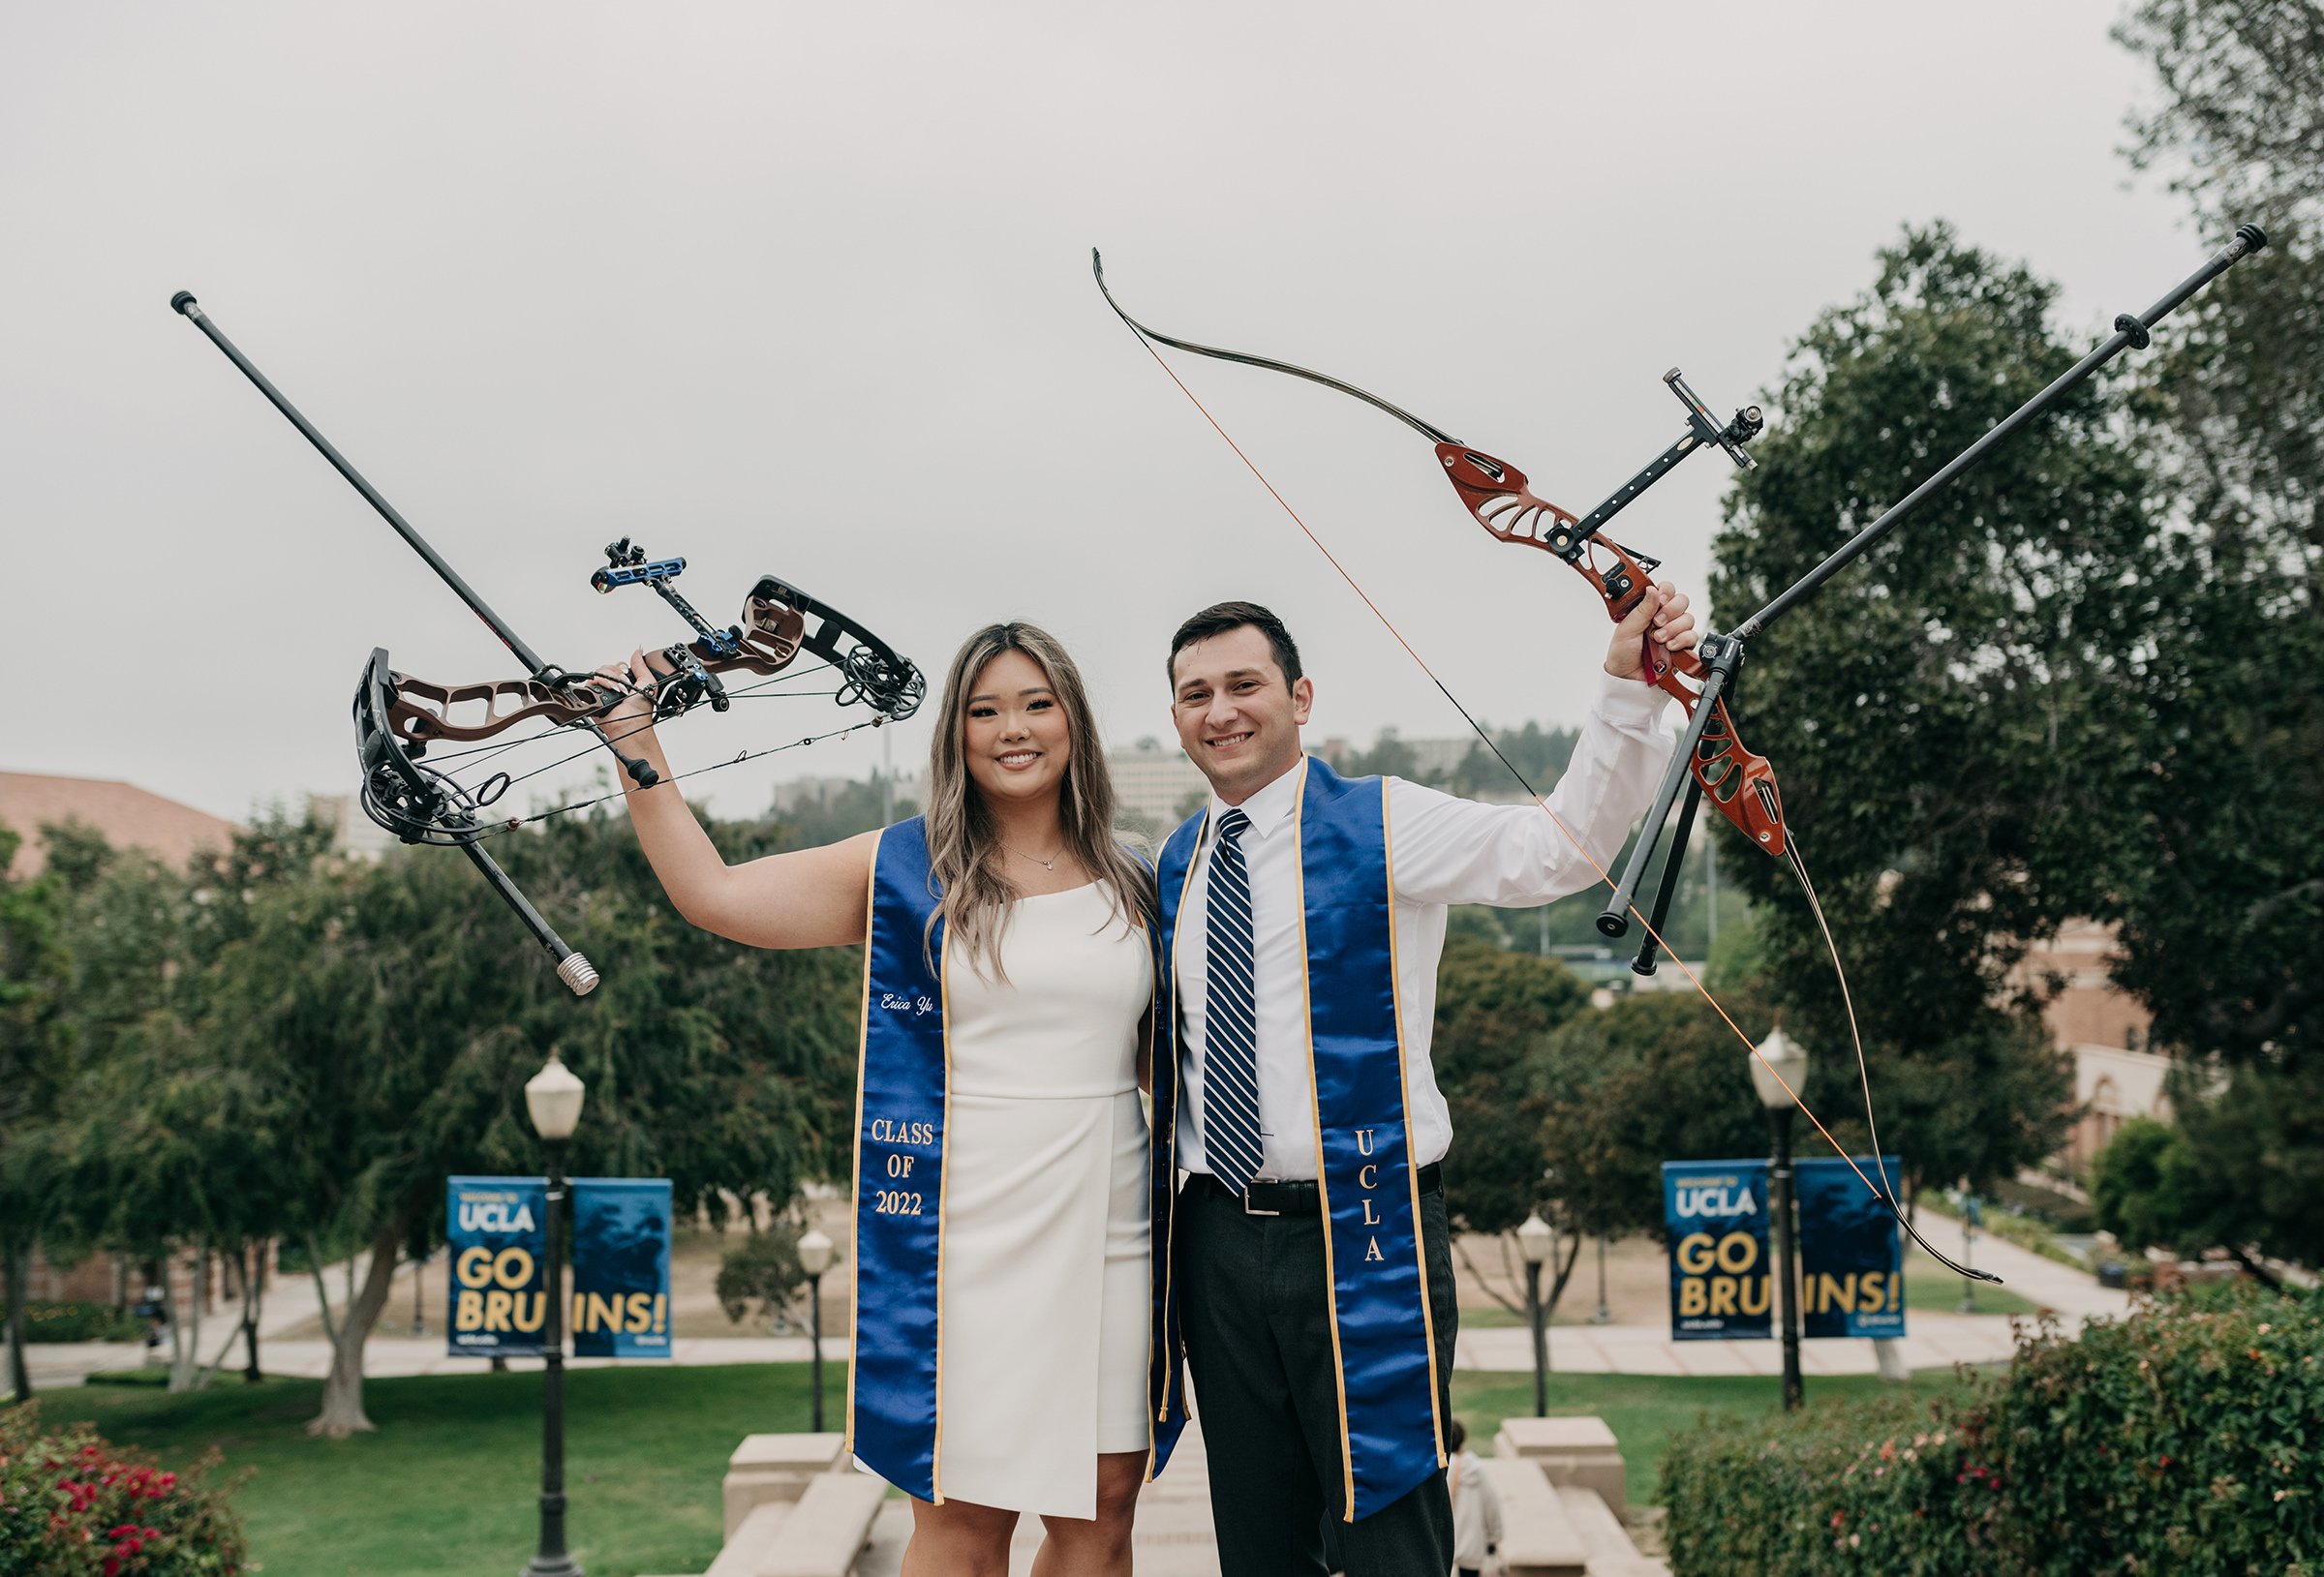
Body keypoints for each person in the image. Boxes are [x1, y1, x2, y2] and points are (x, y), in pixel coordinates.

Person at [602, 622, 1178, 1577]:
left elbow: (1169, 1063)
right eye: (984, 710)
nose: (1013, 728)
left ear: (1075, 719)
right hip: (960, 1249)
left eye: (1037, 703)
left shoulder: (1138, 874)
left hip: (1115, 1235)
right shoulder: (904, 870)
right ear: (955, 733)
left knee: (1104, 1511)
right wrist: (634, 740)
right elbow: (714, 894)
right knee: (963, 1520)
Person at [1149, 588, 1697, 1576]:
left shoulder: (1384, 821)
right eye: (1195, 694)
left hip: (1363, 1228)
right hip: (1217, 1243)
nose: (1220, 711)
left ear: (1300, 696)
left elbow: (1557, 852)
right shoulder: (1176, 865)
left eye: (1244, 684)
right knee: (1260, 1545)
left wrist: (1624, 689)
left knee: (1390, 1538)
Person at [1446, 1419, 1503, 1577]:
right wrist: (1494, 1537)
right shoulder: (1474, 1469)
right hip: (1471, 1545)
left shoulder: (1438, 1471)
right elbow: (1491, 1505)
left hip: (1443, 1546)